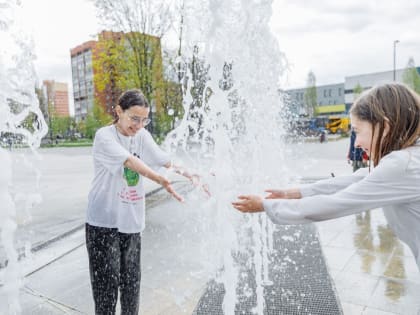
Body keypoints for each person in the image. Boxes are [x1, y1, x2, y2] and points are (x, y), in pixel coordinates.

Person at [232, 83, 420, 270]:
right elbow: (358, 178)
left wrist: (265, 205)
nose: (356, 143)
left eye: (357, 131)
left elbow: (335, 203)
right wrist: (294, 193)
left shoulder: (403, 164)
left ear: (384, 127)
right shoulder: (409, 159)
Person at [86, 89, 193, 314]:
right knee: (106, 293)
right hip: (103, 224)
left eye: (144, 120)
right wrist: (158, 179)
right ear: (118, 111)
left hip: (131, 223)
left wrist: (191, 173)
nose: (139, 125)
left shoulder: (141, 135)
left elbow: (165, 160)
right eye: (134, 119)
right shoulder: (104, 136)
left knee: (131, 288)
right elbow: (129, 162)